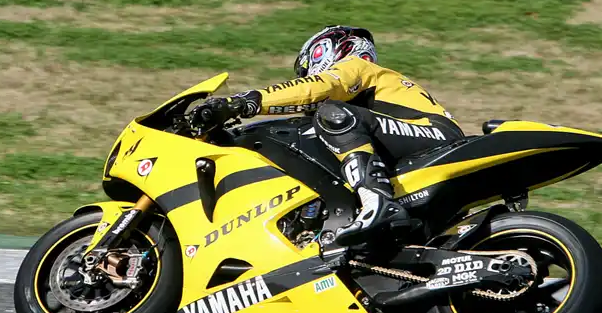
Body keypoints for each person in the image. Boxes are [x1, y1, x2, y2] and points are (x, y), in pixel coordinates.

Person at [198, 25, 464, 247]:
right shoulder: (366, 103)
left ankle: (377, 200)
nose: (305, 77)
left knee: (332, 113)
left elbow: (324, 86)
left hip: (434, 134)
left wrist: (245, 102)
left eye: (305, 72)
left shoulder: (357, 67)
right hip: (420, 146)